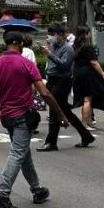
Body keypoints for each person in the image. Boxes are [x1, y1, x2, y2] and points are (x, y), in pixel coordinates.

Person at [0, 31, 70, 208]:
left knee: (23, 153)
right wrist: (60, 115)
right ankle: (2, 193)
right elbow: (44, 93)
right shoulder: (26, 63)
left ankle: (37, 190)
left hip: (6, 117)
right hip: (22, 115)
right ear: (19, 43)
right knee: (17, 154)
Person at [37, 24, 94, 152]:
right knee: (65, 111)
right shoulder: (53, 46)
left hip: (62, 81)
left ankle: (51, 142)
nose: (51, 36)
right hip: (52, 80)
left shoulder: (67, 48)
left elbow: (64, 65)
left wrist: (49, 54)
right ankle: (86, 136)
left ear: (61, 34)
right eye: (49, 33)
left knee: (54, 110)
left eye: (53, 34)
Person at [72, 27, 104, 129]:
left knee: (85, 99)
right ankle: (84, 124)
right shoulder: (88, 47)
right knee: (87, 99)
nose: (89, 35)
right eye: (88, 33)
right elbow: (94, 62)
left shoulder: (75, 46)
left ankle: (88, 121)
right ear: (85, 35)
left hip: (77, 73)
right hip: (87, 74)